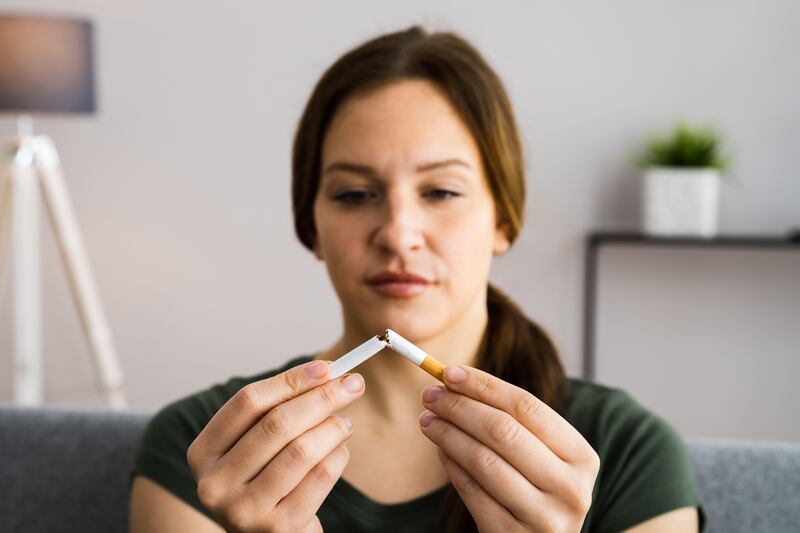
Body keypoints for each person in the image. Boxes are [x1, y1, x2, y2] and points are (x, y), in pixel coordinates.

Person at [129, 25, 706, 533]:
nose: (398, 233)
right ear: (311, 226)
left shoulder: (628, 452)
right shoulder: (212, 449)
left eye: (441, 192)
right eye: (355, 194)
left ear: (503, 217)